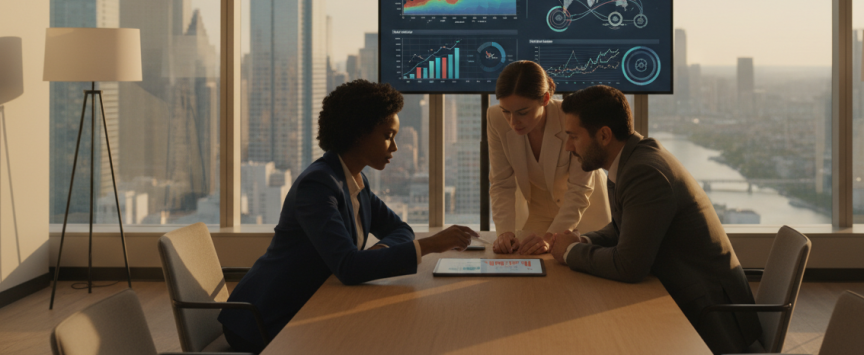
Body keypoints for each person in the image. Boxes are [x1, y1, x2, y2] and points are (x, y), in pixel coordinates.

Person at [219, 80, 478, 353]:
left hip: (314, 302)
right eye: (388, 135)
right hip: (267, 319)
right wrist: (431, 245)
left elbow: (400, 229)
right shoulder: (317, 185)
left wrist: (376, 253)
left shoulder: (354, 179)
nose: (395, 147)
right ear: (358, 133)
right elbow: (349, 267)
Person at [550, 85, 762, 355]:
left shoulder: (644, 173)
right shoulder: (632, 160)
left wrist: (570, 252)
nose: (568, 147)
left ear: (604, 135)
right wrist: (581, 239)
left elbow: (629, 266)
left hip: (708, 320)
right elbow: (621, 228)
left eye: (573, 136)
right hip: (681, 298)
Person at [488, 61, 611, 255]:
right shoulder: (494, 118)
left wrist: (550, 238)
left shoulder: (572, 118)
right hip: (537, 209)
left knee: (582, 276)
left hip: (584, 209)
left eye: (522, 112)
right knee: (529, 268)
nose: (513, 122)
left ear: (545, 99)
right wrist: (505, 233)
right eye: (506, 111)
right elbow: (501, 183)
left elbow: (579, 190)